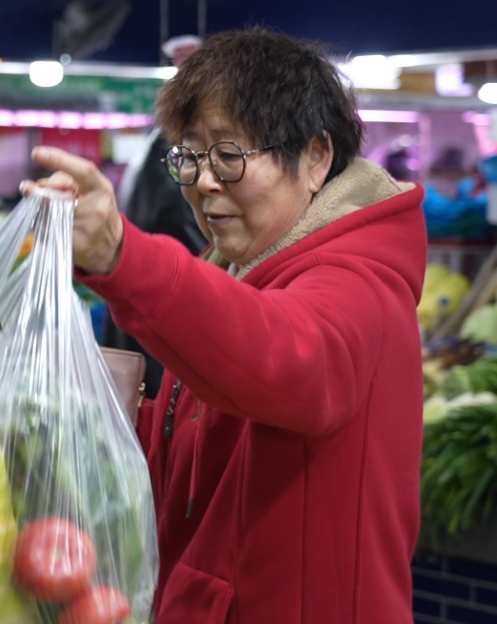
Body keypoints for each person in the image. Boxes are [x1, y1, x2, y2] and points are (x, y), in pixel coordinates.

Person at [24, 27, 424, 623]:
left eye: (230, 155)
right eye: (190, 157)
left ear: (315, 158)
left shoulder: (360, 281)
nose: (205, 181)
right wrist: (95, 423)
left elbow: (290, 362)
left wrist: (121, 255)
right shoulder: (236, 271)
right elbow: (210, 463)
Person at [108, 34, 207, 398]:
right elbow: (187, 233)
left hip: (148, 296)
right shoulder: (169, 147)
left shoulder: (162, 143)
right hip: (164, 299)